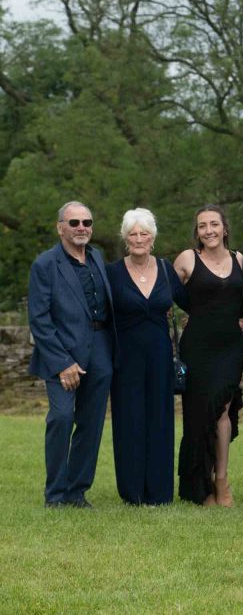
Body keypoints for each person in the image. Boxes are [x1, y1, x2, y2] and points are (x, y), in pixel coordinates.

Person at [29, 201, 115, 508]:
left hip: (101, 350)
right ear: (60, 227)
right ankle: (55, 495)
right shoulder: (45, 264)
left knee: (90, 424)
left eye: (87, 222)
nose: (81, 228)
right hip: (62, 354)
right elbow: (39, 319)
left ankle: (77, 491)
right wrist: (63, 362)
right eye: (74, 222)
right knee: (62, 418)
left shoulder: (98, 258)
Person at [107, 207, 188, 506]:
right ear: (125, 238)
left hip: (159, 355)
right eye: (133, 233)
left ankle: (158, 492)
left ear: (152, 238)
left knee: (160, 420)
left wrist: (234, 318)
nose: (139, 238)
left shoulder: (166, 269)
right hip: (125, 357)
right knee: (129, 421)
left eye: (144, 233)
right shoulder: (112, 272)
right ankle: (133, 491)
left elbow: (193, 303)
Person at [173, 205, 243, 507]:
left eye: (214, 224)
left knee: (223, 410)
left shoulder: (239, 259)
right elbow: (166, 293)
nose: (209, 231)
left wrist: (242, 319)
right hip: (198, 347)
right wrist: (187, 315)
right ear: (198, 232)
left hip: (230, 346)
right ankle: (199, 487)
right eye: (202, 226)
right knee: (200, 414)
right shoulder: (188, 258)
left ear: (225, 228)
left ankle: (222, 480)